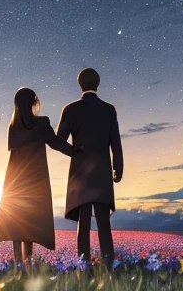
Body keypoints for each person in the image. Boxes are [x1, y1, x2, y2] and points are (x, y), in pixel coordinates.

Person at [0, 86, 79, 266]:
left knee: (16, 219)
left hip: (14, 179)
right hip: (34, 178)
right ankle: (27, 264)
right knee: (29, 219)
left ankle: (17, 265)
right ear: (34, 102)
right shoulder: (41, 123)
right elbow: (56, 143)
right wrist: (77, 153)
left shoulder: (13, 126)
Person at [57, 67, 123, 269]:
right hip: (102, 173)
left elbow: (59, 141)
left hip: (80, 175)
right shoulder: (109, 109)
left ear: (80, 84)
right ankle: (108, 266)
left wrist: (74, 152)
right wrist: (117, 168)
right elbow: (115, 143)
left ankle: (83, 266)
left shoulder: (70, 109)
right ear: (98, 84)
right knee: (104, 223)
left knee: (82, 223)